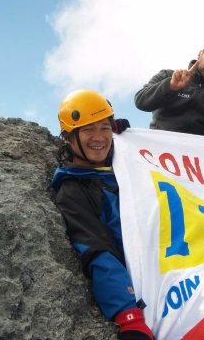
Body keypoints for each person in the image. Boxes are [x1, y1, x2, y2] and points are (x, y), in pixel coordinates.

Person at [51, 90, 154, 340]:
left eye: (104, 128)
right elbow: (97, 249)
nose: (99, 138)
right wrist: (128, 315)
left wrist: (126, 137)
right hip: (148, 289)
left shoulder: (125, 166)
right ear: (68, 137)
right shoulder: (74, 190)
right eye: (88, 130)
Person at [134, 40, 204, 137]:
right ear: (200, 54)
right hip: (160, 153)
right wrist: (170, 87)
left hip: (200, 159)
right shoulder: (168, 76)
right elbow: (141, 101)